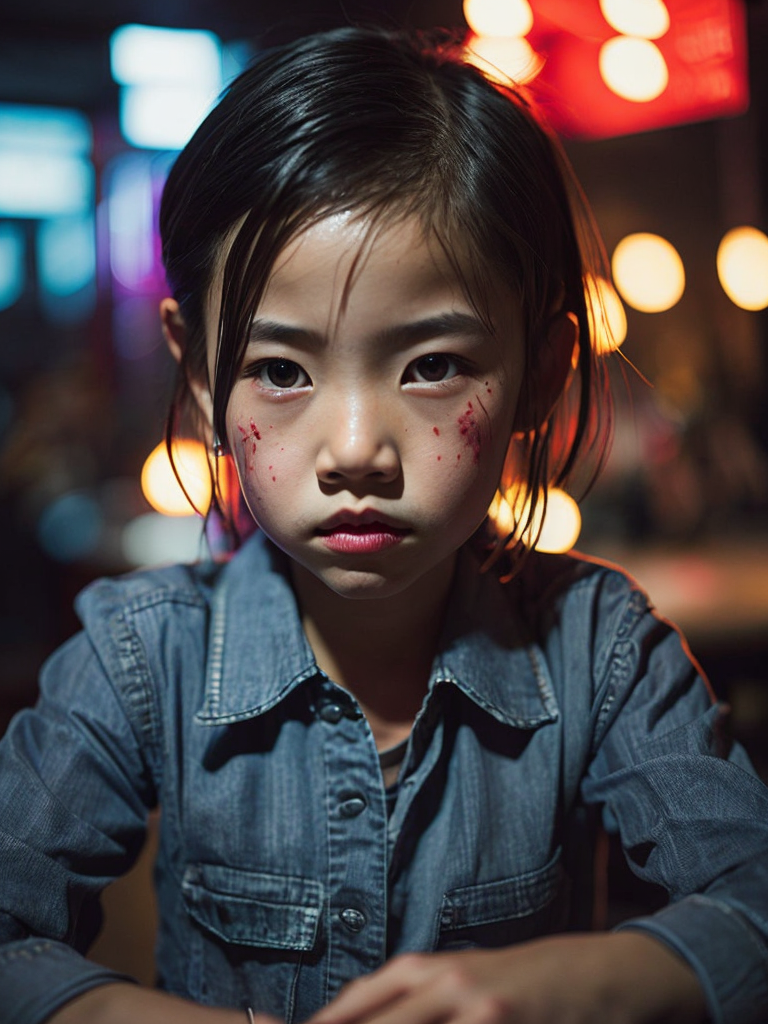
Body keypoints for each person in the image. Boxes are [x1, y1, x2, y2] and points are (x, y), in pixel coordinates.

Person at [1, 24, 767, 1024]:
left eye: (432, 364)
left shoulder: (600, 649)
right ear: (200, 373)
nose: (355, 447)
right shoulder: (140, 656)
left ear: (540, 371)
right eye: (282, 371)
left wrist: (565, 988)